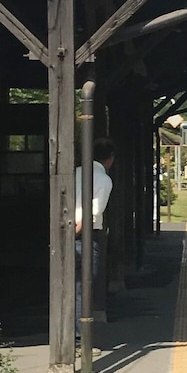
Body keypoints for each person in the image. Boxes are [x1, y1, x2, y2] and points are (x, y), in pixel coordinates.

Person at [73, 138, 114, 321]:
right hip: (86, 236)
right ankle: (80, 338)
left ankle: (72, 335)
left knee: (69, 286)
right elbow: (92, 214)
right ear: (110, 158)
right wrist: (74, 234)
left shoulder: (75, 173)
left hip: (67, 230)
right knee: (83, 286)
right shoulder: (104, 180)